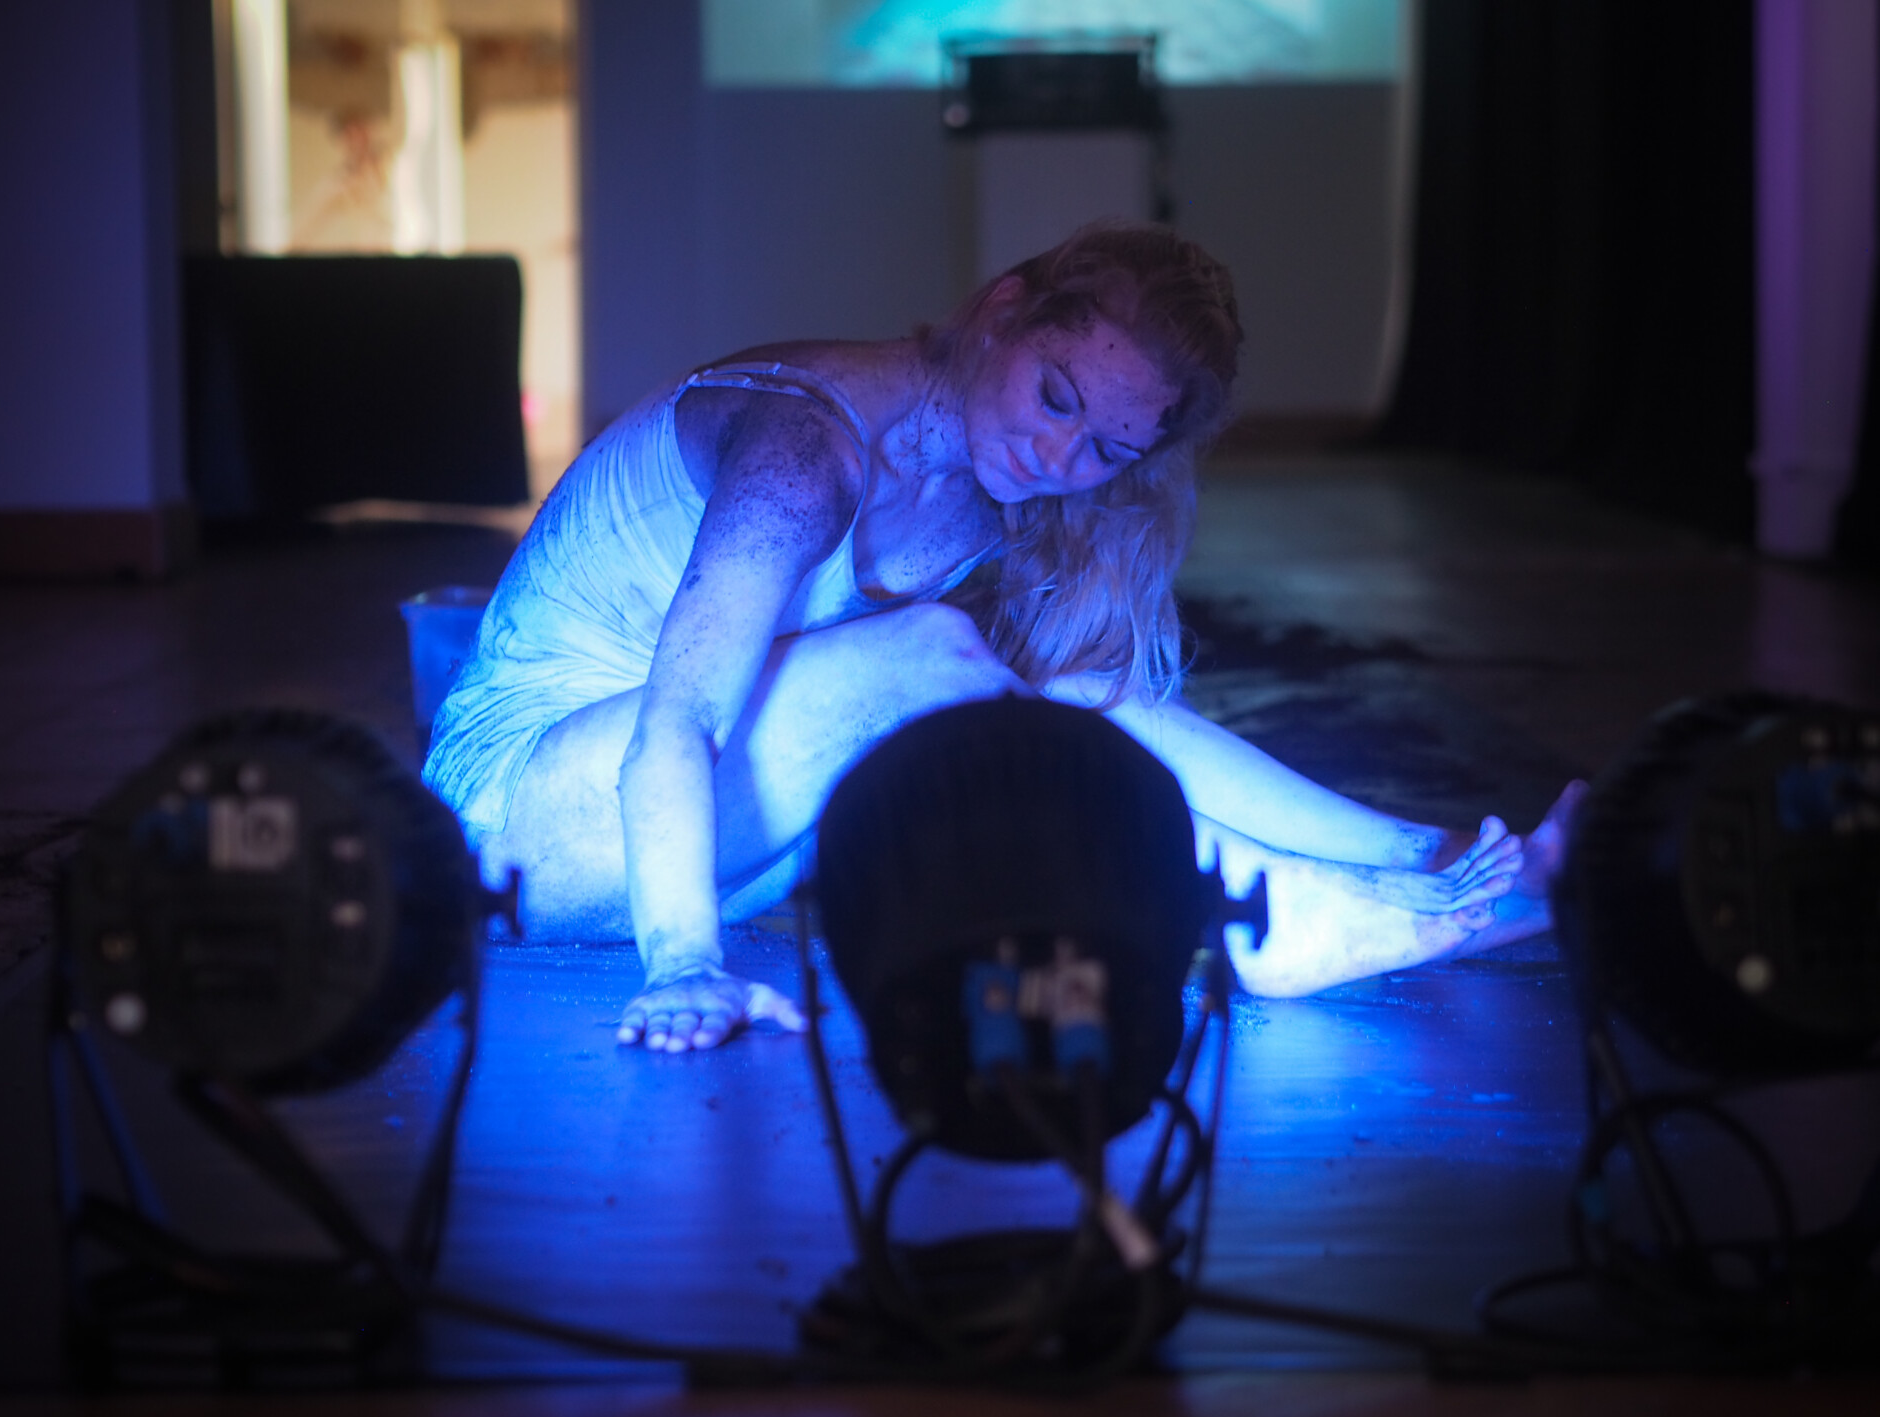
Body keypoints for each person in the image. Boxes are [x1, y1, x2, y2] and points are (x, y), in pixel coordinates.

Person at [424, 222, 1582, 1054]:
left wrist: (1425, 852)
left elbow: (1066, 720)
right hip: (518, 833)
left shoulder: (985, 486)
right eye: (1055, 396)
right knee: (934, 659)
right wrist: (684, 967)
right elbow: (681, 716)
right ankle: (1269, 920)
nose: (1060, 457)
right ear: (999, 314)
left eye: (1106, 449)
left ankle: (1436, 861)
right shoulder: (802, 443)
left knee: (1075, 701)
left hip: (686, 832)